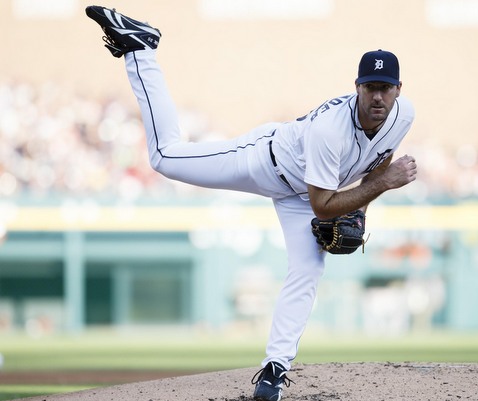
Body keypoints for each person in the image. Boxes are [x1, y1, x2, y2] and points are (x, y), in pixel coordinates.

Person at [86, 5, 418, 401]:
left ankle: (274, 372)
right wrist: (378, 188)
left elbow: (374, 170)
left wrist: (360, 213)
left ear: (399, 89)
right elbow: (325, 206)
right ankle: (142, 49)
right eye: (370, 86)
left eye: (386, 87)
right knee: (164, 157)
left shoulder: (403, 115)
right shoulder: (332, 131)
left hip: (311, 192)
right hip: (265, 162)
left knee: (308, 271)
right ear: (357, 87)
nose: (378, 95)